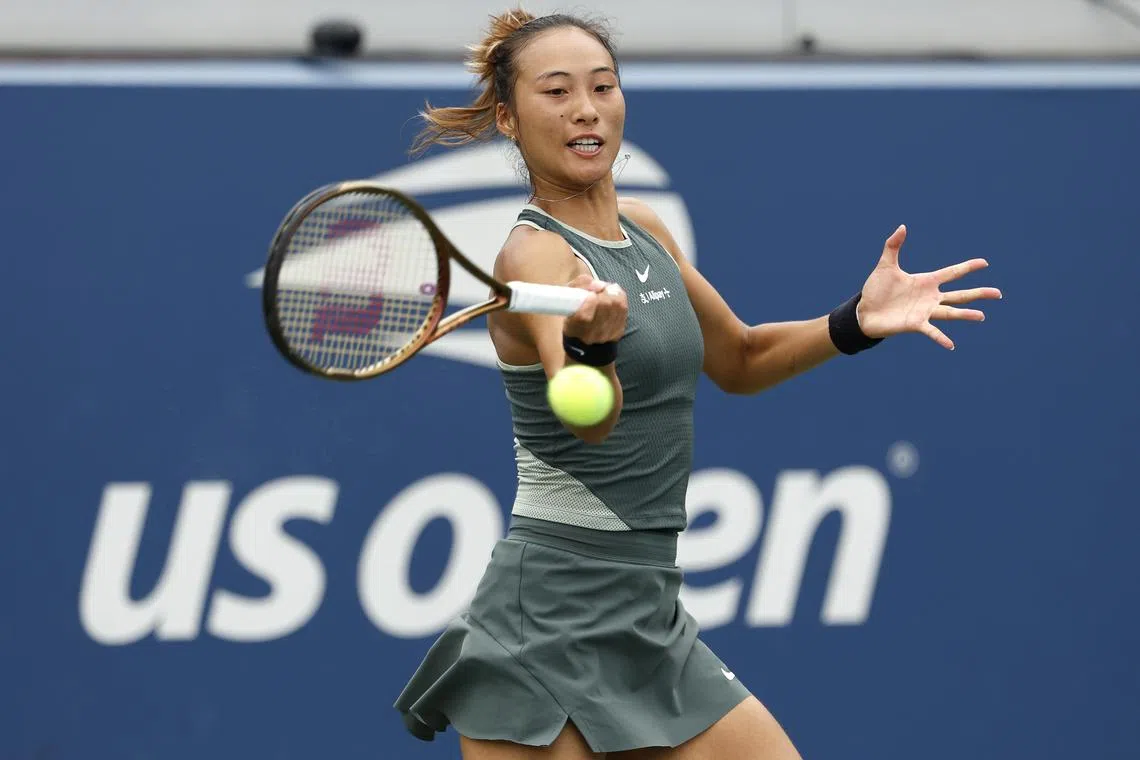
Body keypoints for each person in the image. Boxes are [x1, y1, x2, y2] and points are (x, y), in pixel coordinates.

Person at [395, 9, 1002, 759]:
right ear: (509, 119)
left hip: (647, 607)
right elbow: (587, 419)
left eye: (603, 86)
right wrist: (591, 351)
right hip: (547, 615)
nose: (586, 108)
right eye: (556, 92)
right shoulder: (536, 260)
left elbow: (740, 358)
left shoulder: (646, 229)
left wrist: (856, 322)